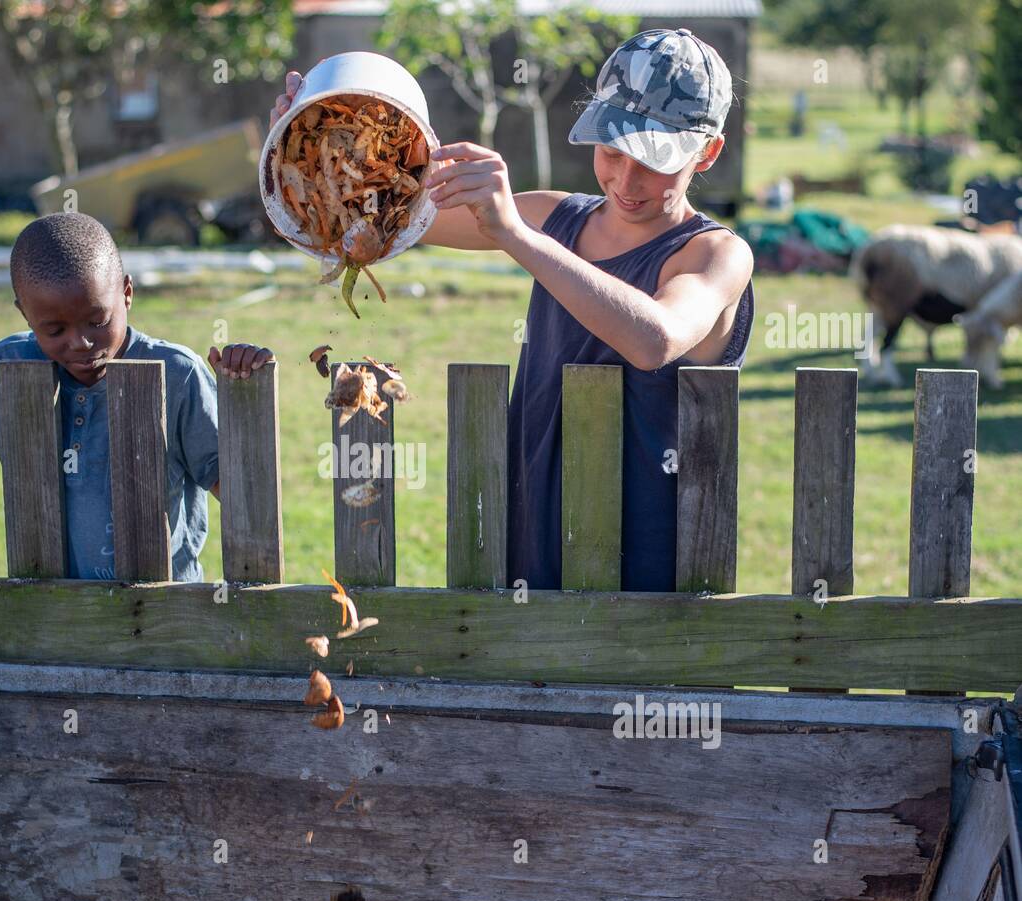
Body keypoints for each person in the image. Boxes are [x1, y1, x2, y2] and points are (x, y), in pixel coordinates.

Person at [271, 28, 754, 591]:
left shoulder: (715, 254)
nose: (627, 179)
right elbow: (374, 214)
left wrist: (514, 233)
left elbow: (656, 339)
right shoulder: (556, 218)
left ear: (709, 151)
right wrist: (313, 136)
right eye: (612, 150)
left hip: (648, 567)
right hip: (530, 541)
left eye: (654, 160)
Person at [0, 211, 273, 581]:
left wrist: (245, 390)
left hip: (164, 619)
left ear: (126, 293)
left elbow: (242, 489)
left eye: (97, 321)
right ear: (25, 315)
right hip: (50, 620)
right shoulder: (9, 367)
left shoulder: (178, 375)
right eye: (55, 329)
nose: (81, 342)